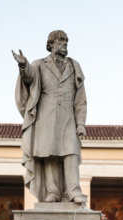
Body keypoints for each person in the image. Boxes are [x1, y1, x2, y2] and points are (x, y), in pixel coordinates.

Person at [13, 30, 87, 205]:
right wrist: (23, 66)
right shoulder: (39, 64)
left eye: (66, 41)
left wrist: (81, 123)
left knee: (71, 152)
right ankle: (52, 191)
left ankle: (74, 191)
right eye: (61, 40)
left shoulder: (74, 66)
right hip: (46, 117)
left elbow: (81, 99)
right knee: (50, 154)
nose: (64, 43)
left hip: (68, 117)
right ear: (51, 44)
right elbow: (30, 77)